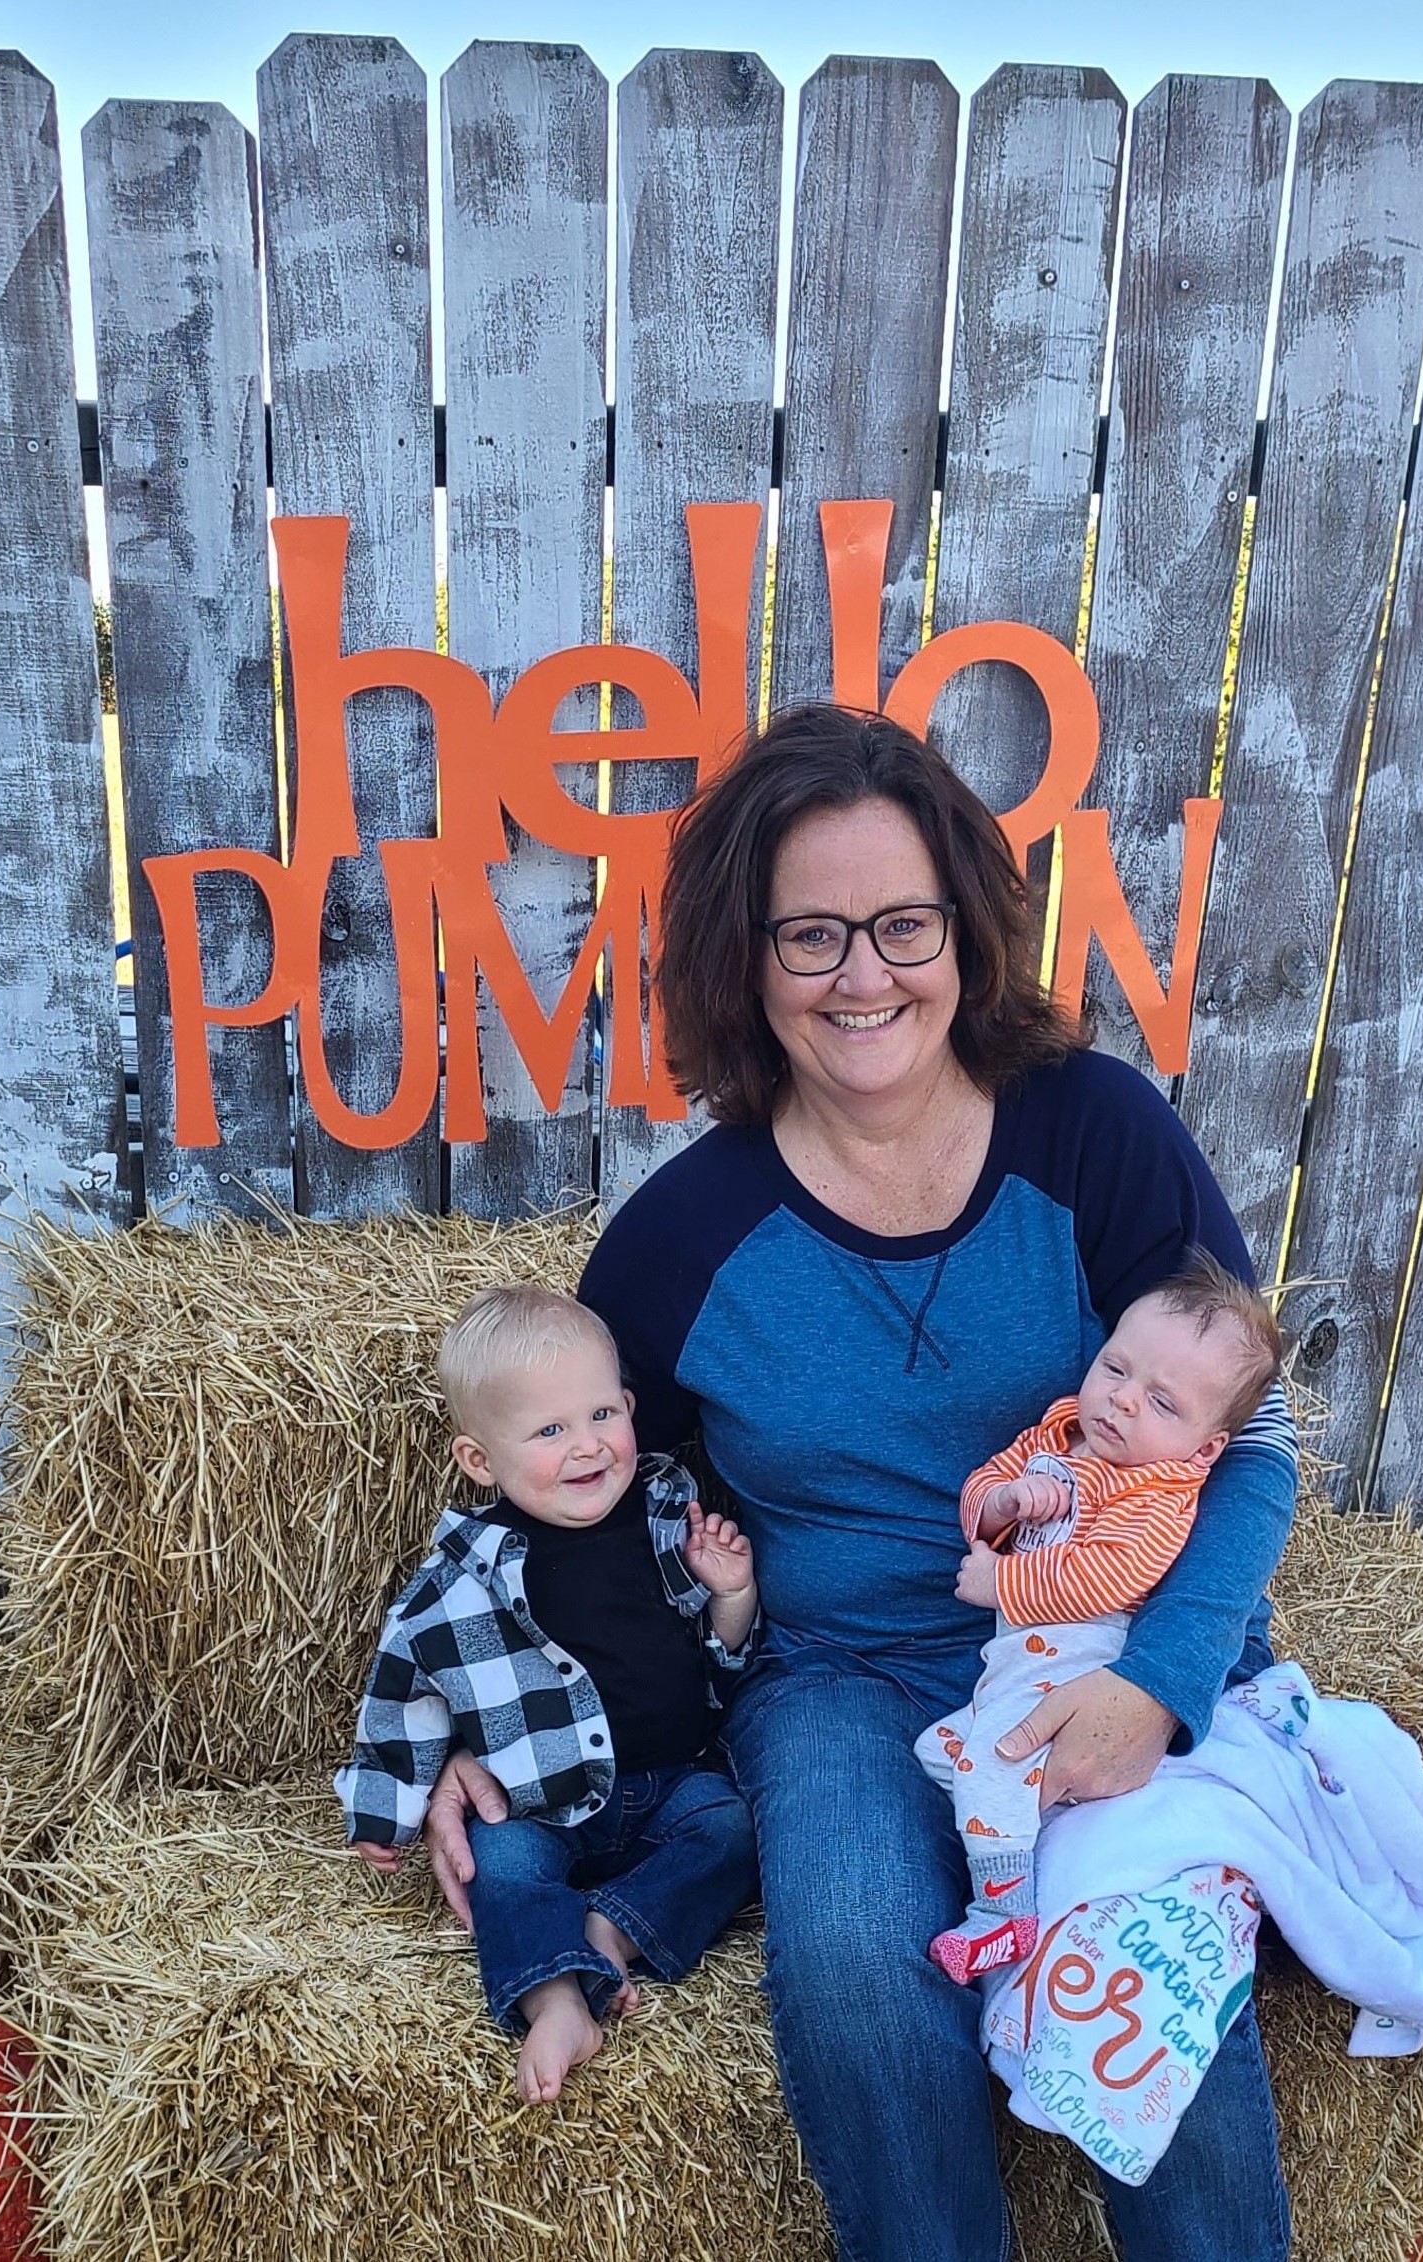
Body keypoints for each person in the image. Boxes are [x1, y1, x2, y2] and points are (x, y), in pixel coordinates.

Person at [421, 706, 1300, 2261]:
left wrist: (1158, 1689)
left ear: (963, 926)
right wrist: (467, 1728)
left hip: (1099, 1648)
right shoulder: (682, 1236)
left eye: (902, 923)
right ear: (746, 963)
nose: (863, 973)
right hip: (835, 1674)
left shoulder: (1093, 1133)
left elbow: (1252, 1447)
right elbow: (565, 1493)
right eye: (810, 934)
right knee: (847, 1956)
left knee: (1149, 1981)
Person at [334, 1284, 761, 2104]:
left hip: (673, 1784)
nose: (588, 1447)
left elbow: (723, 1665)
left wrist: (731, 1595)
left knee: (738, 1831)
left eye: (604, 1414)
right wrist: (384, 1812)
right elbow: (404, 1693)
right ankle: (555, 2000)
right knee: (503, 1869)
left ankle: (612, 1931)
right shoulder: (457, 1583)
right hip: (542, 1803)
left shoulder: (667, 1521)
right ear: (479, 1460)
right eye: (550, 1431)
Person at [919, 1252, 1286, 1983]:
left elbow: (1107, 1574)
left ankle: (1002, 1918)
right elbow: (990, 1478)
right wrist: (996, 1507)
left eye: (1162, 1402)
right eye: (1116, 1370)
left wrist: (1007, 1580)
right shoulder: (1061, 1434)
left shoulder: (1162, 1488)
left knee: (993, 1762)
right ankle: (1044, 1841)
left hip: (1078, 1667)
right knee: (938, 1754)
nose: (1122, 1401)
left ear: (1207, 1446)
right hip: (1016, 1671)